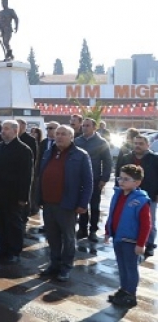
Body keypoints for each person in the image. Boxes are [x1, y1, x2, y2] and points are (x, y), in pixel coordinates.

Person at [38, 125, 93, 282]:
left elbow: (88, 182)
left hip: (67, 204)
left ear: (71, 137)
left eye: (63, 134)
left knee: (68, 238)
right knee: (52, 236)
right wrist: (38, 197)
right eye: (58, 134)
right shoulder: (49, 152)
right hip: (48, 203)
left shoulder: (81, 155)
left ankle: (66, 267)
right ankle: (54, 264)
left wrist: (83, 203)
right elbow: (40, 175)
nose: (59, 137)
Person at [105, 164, 151, 308]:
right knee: (121, 266)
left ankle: (131, 294)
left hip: (131, 241)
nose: (122, 181)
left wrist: (141, 244)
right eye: (120, 178)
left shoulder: (141, 200)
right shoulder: (117, 195)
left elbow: (146, 225)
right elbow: (112, 214)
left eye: (126, 179)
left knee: (130, 267)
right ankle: (124, 290)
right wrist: (108, 231)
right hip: (118, 237)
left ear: (137, 183)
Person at [0, 120, 33, 264]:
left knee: (13, 224)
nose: (3, 131)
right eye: (2, 129)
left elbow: (26, 176)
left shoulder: (23, 149)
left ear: (15, 131)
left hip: (13, 195)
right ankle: (3, 248)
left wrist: (23, 197)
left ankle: (14, 251)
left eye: (6, 129)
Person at [115, 135, 158, 258]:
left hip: (149, 194)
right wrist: (118, 190)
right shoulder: (126, 157)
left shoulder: (154, 159)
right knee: (128, 218)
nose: (137, 146)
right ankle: (129, 240)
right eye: (136, 143)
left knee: (149, 221)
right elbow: (119, 173)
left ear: (147, 145)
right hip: (127, 193)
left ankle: (149, 245)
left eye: (141, 143)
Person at [75, 118, 113, 242]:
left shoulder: (101, 142)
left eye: (87, 125)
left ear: (94, 128)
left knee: (94, 206)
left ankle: (93, 230)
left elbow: (108, 162)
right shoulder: (77, 141)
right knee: (81, 204)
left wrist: (104, 179)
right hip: (79, 179)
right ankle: (82, 229)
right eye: (83, 125)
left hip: (95, 179)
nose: (85, 128)